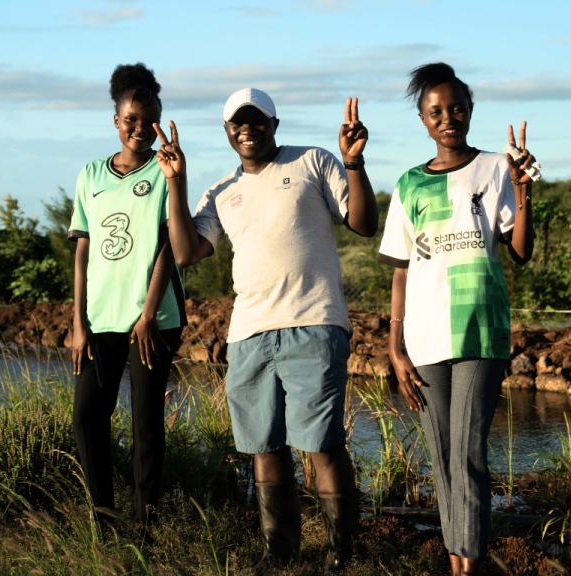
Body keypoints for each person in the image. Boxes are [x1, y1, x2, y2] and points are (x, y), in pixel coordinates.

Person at [151, 88, 378, 572]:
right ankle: (281, 551)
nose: (247, 129)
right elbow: (187, 252)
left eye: (258, 121)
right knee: (263, 445)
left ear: (275, 124)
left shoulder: (314, 162)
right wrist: (177, 182)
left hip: (313, 323)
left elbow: (363, 223)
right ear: (227, 131)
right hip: (249, 333)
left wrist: (353, 163)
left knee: (320, 443)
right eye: (238, 122)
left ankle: (343, 552)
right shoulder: (221, 191)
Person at [377, 63, 536, 575]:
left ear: (469, 111)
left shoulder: (496, 168)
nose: (448, 118)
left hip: (480, 330)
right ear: (423, 120)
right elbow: (401, 273)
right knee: (443, 459)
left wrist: (523, 189)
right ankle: (458, 561)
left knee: (467, 454)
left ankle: (469, 565)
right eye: (435, 111)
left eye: (456, 108)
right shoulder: (408, 185)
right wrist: (395, 349)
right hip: (423, 340)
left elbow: (522, 251)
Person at [68, 63, 186, 533]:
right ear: (116, 121)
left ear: (159, 120)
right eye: (130, 120)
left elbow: (168, 246)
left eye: (149, 119)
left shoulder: (165, 170)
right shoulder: (91, 174)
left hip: (153, 321)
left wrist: (148, 314)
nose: (140, 128)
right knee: (86, 418)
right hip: (99, 320)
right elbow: (82, 250)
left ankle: (145, 525)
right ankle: (104, 520)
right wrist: (77, 322)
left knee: (145, 423)